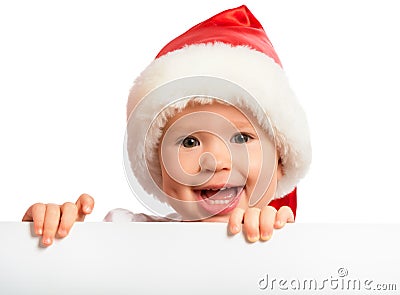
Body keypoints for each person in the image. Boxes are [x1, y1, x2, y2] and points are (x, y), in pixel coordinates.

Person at [22, 5, 311, 246]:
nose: (214, 161)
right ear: (158, 169)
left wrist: (279, 243)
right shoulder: (130, 237)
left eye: (240, 137)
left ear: (282, 162)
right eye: (189, 142)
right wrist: (53, 238)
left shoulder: (296, 243)